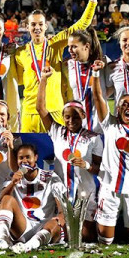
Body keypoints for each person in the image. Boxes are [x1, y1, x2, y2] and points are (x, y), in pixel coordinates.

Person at [14, 0, 101, 133]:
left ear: (46, 25)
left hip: (55, 110)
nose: (37, 28)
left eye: (40, 24)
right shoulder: (19, 53)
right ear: (26, 26)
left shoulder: (56, 43)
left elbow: (82, 25)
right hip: (29, 113)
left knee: (57, 154)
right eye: (33, 24)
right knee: (27, 153)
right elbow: (20, 80)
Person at [89, 59, 129, 245]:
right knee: (106, 240)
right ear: (117, 109)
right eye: (124, 104)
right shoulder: (110, 125)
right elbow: (98, 96)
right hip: (110, 188)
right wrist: (95, 73)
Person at [35, 65, 102, 243]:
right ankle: (40, 240)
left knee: (87, 238)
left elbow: (99, 170)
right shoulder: (57, 131)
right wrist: (43, 80)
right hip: (62, 192)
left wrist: (86, 165)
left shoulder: (93, 138)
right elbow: (40, 108)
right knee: (61, 226)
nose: (71, 121)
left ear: (83, 117)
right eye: (67, 117)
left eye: (75, 117)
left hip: (85, 192)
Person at [0, 143, 66, 253]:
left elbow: (62, 209)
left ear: (35, 157)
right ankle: (4, 239)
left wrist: (60, 217)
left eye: (28, 157)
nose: (24, 161)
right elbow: (2, 200)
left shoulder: (50, 177)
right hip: (23, 226)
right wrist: (13, 183)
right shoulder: (14, 177)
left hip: (44, 227)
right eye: (21, 158)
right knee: (7, 198)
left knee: (56, 221)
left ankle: (30, 245)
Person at [65, 28, 107, 133]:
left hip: (100, 125)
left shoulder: (103, 63)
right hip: (78, 125)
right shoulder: (70, 64)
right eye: (69, 47)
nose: (70, 50)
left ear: (86, 46)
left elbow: (111, 88)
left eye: (74, 47)